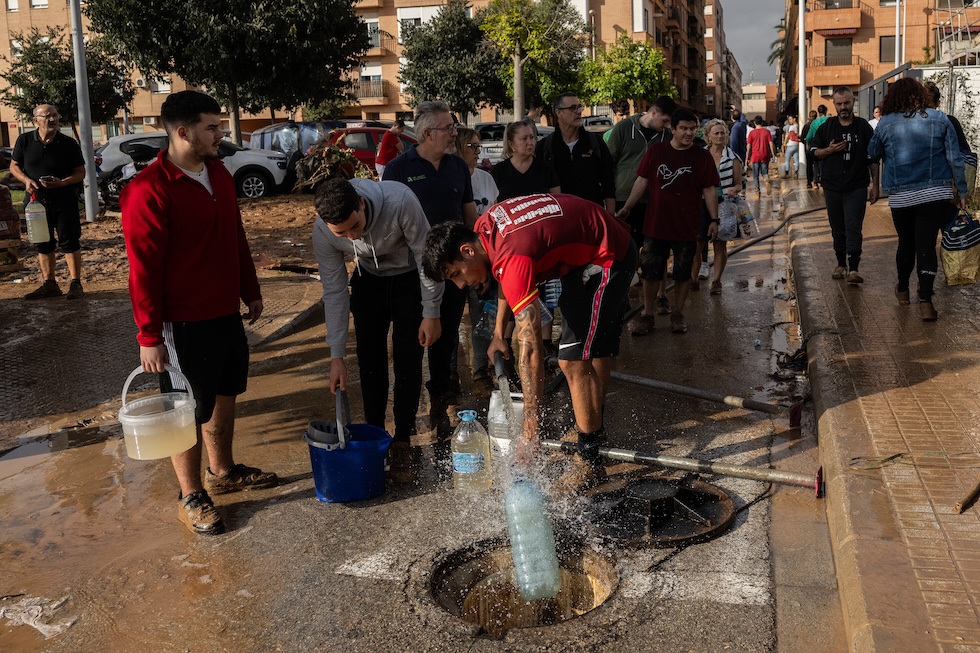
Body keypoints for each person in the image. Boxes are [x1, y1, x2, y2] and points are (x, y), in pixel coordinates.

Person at [121, 90, 277, 536]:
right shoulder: (147, 190)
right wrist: (148, 335)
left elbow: (235, 235)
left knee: (225, 392)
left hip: (224, 311)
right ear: (183, 132)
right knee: (186, 408)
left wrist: (250, 289)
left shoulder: (220, 175)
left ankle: (222, 472)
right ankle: (190, 494)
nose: (221, 134)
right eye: (213, 127)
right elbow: (143, 270)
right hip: (180, 322)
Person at [421, 193, 637, 492]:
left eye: (456, 274)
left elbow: (532, 348)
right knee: (588, 350)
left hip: (610, 256)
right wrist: (499, 333)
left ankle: (590, 460)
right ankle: (592, 429)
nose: (460, 284)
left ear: (467, 250)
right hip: (581, 260)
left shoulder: (513, 255)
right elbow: (503, 277)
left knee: (573, 360)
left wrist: (530, 430)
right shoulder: (485, 227)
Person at [312, 177, 443, 442]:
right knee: (370, 359)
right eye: (342, 233)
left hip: (408, 277)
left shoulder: (400, 201)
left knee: (408, 357)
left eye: (356, 226)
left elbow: (426, 259)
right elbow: (335, 292)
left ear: (361, 204)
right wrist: (336, 356)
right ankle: (374, 432)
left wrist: (431, 312)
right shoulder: (323, 232)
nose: (353, 236)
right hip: (368, 278)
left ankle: (404, 435)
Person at [383, 101, 477, 430]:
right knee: (410, 343)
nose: (454, 133)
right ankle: (404, 424)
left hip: (452, 272)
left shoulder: (458, 167)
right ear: (427, 133)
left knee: (446, 338)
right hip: (411, 273)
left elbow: (469, 216)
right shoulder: (398, 169)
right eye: (448, 128)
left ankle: (441, 406)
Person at [868, 77, 967, 322]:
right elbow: (955, 158)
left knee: (906, 243)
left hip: (901, 196)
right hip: (936, 193)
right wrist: (961, 192)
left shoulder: (885, 123)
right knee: (926, 244)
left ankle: (902, 289)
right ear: (921, 95)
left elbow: (872, 153)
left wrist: (876, 181)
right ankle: (926, 300)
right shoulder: (939, 119)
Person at [617, 108, 720, 335]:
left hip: (686, 226)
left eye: (692, 129)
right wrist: (627, 208)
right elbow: (641, 182)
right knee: (651, 272)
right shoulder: (656, 152)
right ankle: (648, 315)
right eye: (683, 128)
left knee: (683, 273)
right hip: (656, 224)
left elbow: (710, 188)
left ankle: (677, 314)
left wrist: (714, 219)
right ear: (672, 129)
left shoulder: (702, 156)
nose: (688, 133)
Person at [607, 95, 677, 316]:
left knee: (658, 250)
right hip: (623, 198)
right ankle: (622, 297)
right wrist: (609, 200)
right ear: (653, 113)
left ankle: (661, 295)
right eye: (665, 120)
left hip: (655, 201)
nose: (666, 126)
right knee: (626, 251)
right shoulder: (624, 128)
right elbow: (609, 163)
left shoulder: (666, 135)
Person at [10, 104, 86, 300]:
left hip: (64, 201)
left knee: (69, 242)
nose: (52, 119)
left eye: (55, 115)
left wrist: (62, 183)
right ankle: (49, 284)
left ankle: (76, 284)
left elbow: (80, 173)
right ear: (36, 120)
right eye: (47, 116)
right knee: (43, 243)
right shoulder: (24, 140)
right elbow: (14, 166)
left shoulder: (68, 144)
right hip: (36, 202)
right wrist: (26, 180)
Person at [810, 86, 879, 284]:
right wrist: (829, 150)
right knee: (837, 226)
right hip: (832, 186)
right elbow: (813, 152)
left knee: (853, 225)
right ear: (834, 104)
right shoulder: (827, 127)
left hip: (856, 185)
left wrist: (875, 186)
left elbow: (873, 158)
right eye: (839, 103)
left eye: (846, 103)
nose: (843, 107)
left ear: (853, 102)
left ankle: (854, 268)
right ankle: (841, 264)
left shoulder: (863, 127)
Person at [456, 127, 499, 392]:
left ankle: (483, 367)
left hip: (483, 259)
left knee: (484, 314)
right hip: (458, 260)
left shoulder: (485, 178)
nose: (477, 151)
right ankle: (451, 375)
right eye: (471, 146)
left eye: (478, 146)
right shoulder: (454, 177)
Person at [536, 92, 616, 213]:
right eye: (573, 108)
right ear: (559, 112)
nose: (579, 111)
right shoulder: (545, 147)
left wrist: (610, 218)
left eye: (579, 107)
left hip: (591, 216)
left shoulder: (595, 143)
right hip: (559, 218)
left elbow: (608, 182)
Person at [691, 118, 741, 295]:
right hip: (700, 204)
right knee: (697, 243)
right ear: (708, 136)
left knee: (720, 245)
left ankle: (717, 281)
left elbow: (739, 184)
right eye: (716, 133)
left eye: (723, 133)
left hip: (723, 205)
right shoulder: (698, 155)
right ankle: (694, 279)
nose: (720, 136)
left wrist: (733, 189)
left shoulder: (733, 158)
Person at [491, 120, 560, 201]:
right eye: (524, 138)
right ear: (511, 144)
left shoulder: (546, 169)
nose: (530, 142)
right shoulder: (499, 171)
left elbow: (557, 201)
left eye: (532, 137)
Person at [746, 116, 775, 196]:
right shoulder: (767, 132)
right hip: (765, 155)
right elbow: (771, 143)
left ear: (754, 123)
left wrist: (747, 157)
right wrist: (773, 154)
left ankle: (757, 192)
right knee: (764, 172)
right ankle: (766, 179)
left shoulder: (751, 133)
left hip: (755, 156)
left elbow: (748, 146)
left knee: (755, 175)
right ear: (762, 122)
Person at [805, 104, 830, 186]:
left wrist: (808, 143)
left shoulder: (814, 122)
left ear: (818, 113)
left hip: (818, 145)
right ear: (826, 111)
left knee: (816, 163)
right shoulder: (830, 120)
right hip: (829, 145)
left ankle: (816, 181)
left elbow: (809, 136)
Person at [782, 114, 801, 178]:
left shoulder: (792, 127)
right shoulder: (798, 126)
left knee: (787, 159)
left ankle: (787, 173)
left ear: (794, 119)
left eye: (790, 119)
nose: (789, 121)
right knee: (796, 159)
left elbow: (788, 136)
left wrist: (784, 143)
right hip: (796, 144)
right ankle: (796, 172)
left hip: (790, 144)